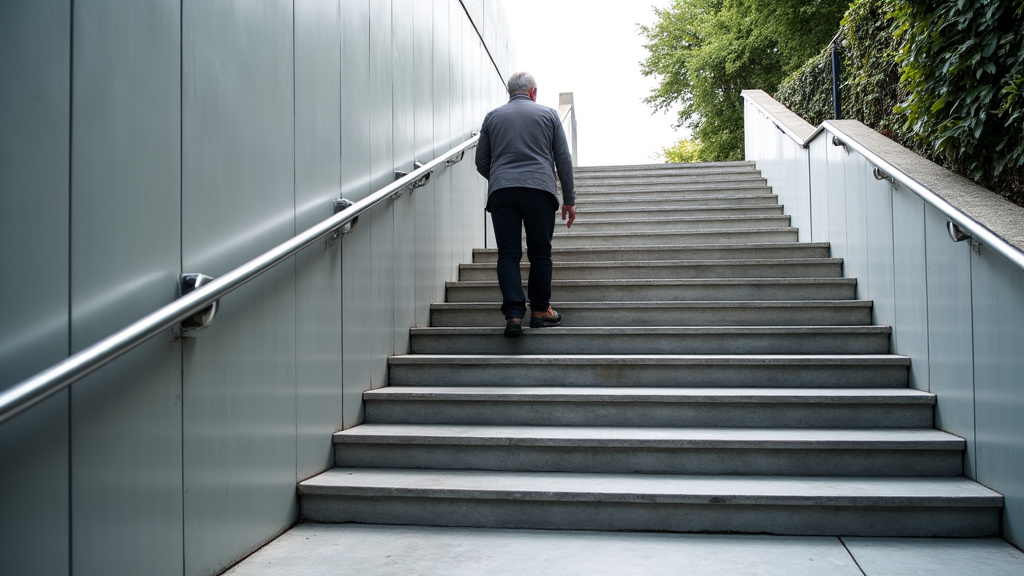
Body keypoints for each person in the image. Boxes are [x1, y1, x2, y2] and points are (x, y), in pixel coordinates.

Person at [475, 71, 577, 338]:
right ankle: (541, 311)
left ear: (510, 92)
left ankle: (514, 316)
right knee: (540, 252)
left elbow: (481, 161)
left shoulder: (492, 117)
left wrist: (501, 177)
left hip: (502, 193)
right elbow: (563, 159)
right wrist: (569, 200)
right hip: (539, 190)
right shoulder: (549, 115)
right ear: (533, 92)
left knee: (508, 254)